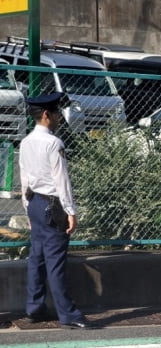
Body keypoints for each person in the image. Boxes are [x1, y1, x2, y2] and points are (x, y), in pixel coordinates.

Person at [19, 92, 93, 329]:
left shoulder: (26, 142)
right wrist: (71, 210)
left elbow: (24, 179)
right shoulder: (54, 143)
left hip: (35, 203)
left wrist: (27, 207)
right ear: (46, 115)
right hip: (53, 205)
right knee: (55, 262)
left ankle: (34, 307)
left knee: (37, 259)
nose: (59, 116)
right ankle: (68, 314)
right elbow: (62, 181)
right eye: (56, 112)